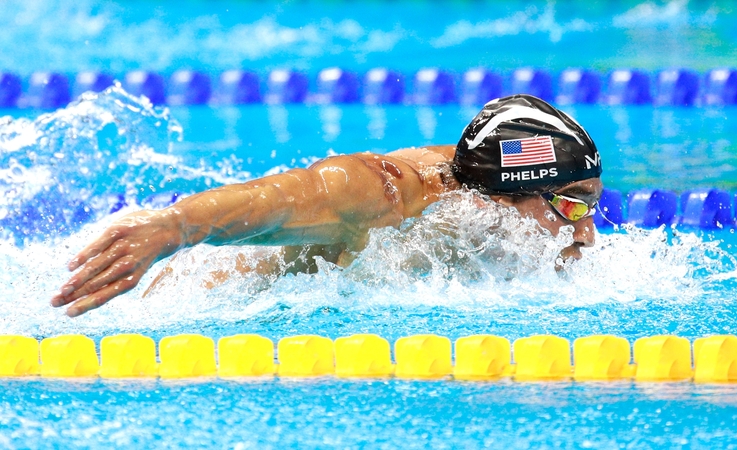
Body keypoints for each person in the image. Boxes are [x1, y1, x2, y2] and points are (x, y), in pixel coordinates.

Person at [51, 94, 603, 317]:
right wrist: (172, 225)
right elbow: (287, 197)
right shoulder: (383, 196)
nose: (587, 234)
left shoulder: (485, 195)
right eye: (574, 208)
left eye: (593, 208)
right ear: (505, 199)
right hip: (185, 309)